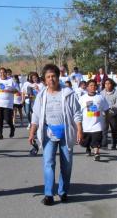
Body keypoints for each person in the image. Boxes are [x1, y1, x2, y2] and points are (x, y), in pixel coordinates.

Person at [28, 64, 82, 206]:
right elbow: (36, 115)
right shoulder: (41, 95)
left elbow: (77, 112)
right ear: (44, 80)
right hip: (48, 133)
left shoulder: (68, 93)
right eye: (48, 77)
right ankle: (48, 194)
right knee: (48, 163)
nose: (51, 79)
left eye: (53, 76)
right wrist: (32, 132)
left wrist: (79, 130)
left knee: (67, 164)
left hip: (66, 132)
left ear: (58, 77)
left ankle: (63, 191)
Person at [79, 80, 110, 161]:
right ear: (87, 87)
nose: (93, 87)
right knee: (86, 141)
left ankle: (96, 153)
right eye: (91, 85)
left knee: (96, 140)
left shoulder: (100, 97)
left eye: (94, 85)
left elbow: (106, 109)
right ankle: (88, 148)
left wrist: (107, 120)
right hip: (86, 125)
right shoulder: (82, 98)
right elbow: (78, 111)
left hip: (97, 124)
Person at [0, 67, 18, 139]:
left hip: (8, 104)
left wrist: (10, 91)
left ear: (6, 73)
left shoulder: (11, 80)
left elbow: (17, 90)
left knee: (7, 119)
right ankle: (0, 134)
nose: (2, 74)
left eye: (3, 72)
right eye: (0, 73)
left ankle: (12, 127)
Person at [101, 78, 117, 149]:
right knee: (104, 130)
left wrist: (110, 107)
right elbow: (100, 103)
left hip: (113, 114)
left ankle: (114, 144)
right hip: (104, 115)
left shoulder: (116, 93)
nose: (107, 85)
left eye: (109, 83)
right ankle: (104, 144)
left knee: (114, 130)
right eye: (106, 84)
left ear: (112, 84)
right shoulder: (101, 93)